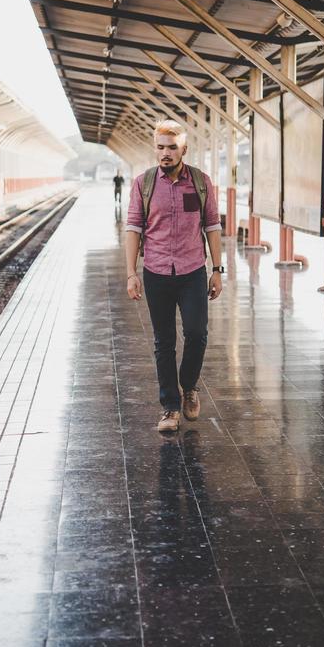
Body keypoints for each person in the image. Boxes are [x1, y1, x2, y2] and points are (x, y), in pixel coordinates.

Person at [125, 119, 224, 434]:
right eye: (160, 147)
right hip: (155, 270)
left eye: (171, 147)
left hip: (193, 269)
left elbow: (212, 226)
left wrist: (218, 270)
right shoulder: (143, 183)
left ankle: (189, 386)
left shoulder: (200, 182)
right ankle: (170, 407)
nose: (165, 153)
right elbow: (133, 228)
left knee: (197, 333)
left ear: (184, 149)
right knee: (163, 341)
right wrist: (131, 273)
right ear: (155, 147)